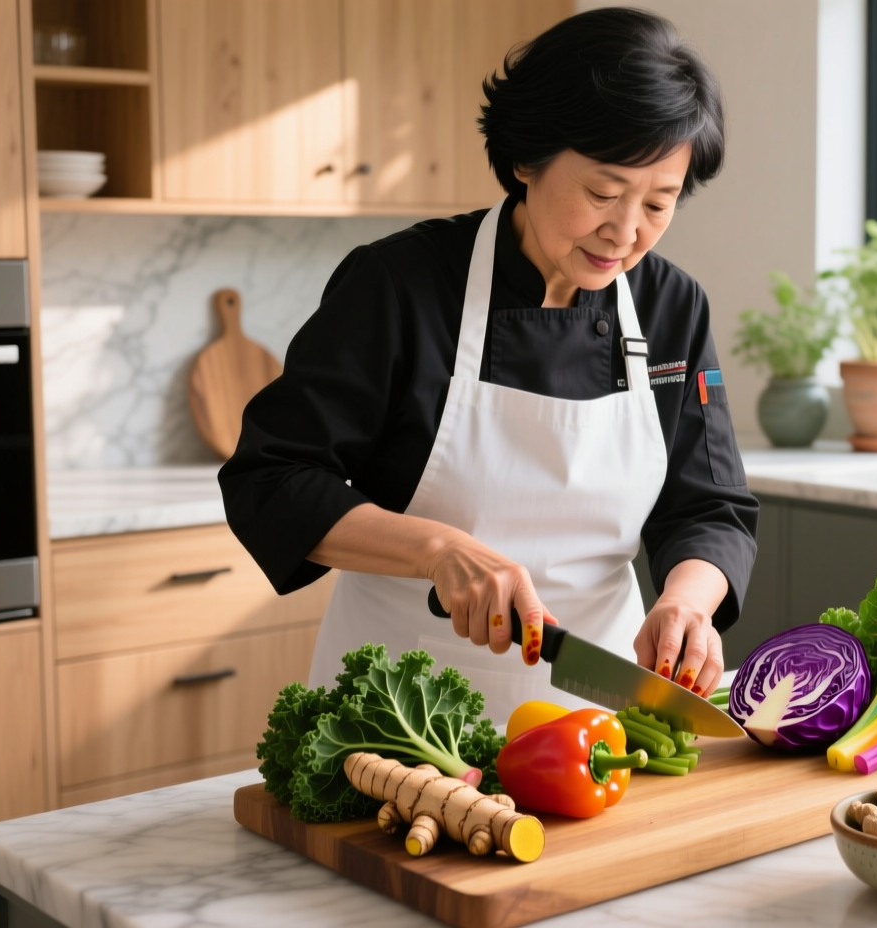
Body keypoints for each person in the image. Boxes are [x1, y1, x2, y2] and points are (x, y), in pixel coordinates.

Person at [220, 8, 757, 723]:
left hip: (597, 722)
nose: (625, 233)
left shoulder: (671, 307)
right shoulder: (399, 284)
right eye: (602, 193)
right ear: (528, 158)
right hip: (402, 717)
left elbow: (710, 504)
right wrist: (437, 549)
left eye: (658, 204)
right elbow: (272, 480)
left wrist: (688, 601)